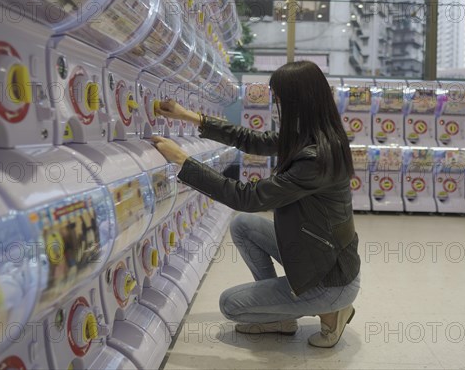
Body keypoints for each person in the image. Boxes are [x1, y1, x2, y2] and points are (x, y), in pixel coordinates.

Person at [152, 61, 361, 348]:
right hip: (321, 254)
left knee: (230, 305)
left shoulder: (315, 158)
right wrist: (188, 116)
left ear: (297, 102)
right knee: (244, 226)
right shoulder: (316, 135)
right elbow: (254, 141)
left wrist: (183, 161)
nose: (277, 106)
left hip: (329, 279)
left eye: (279, 100)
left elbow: (247, 197)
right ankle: (282, 317)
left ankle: (330, 311)